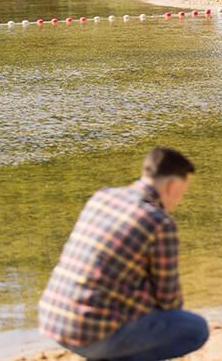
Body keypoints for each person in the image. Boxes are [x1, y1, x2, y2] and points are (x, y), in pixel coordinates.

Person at [38, 148, 208, 361]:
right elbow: (169, 301)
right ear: (172, 185)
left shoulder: (102, 197)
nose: (180, 198)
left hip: (53, 320)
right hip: (89, 335)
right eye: (183, 191)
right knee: (194, 328)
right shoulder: (159, 222)